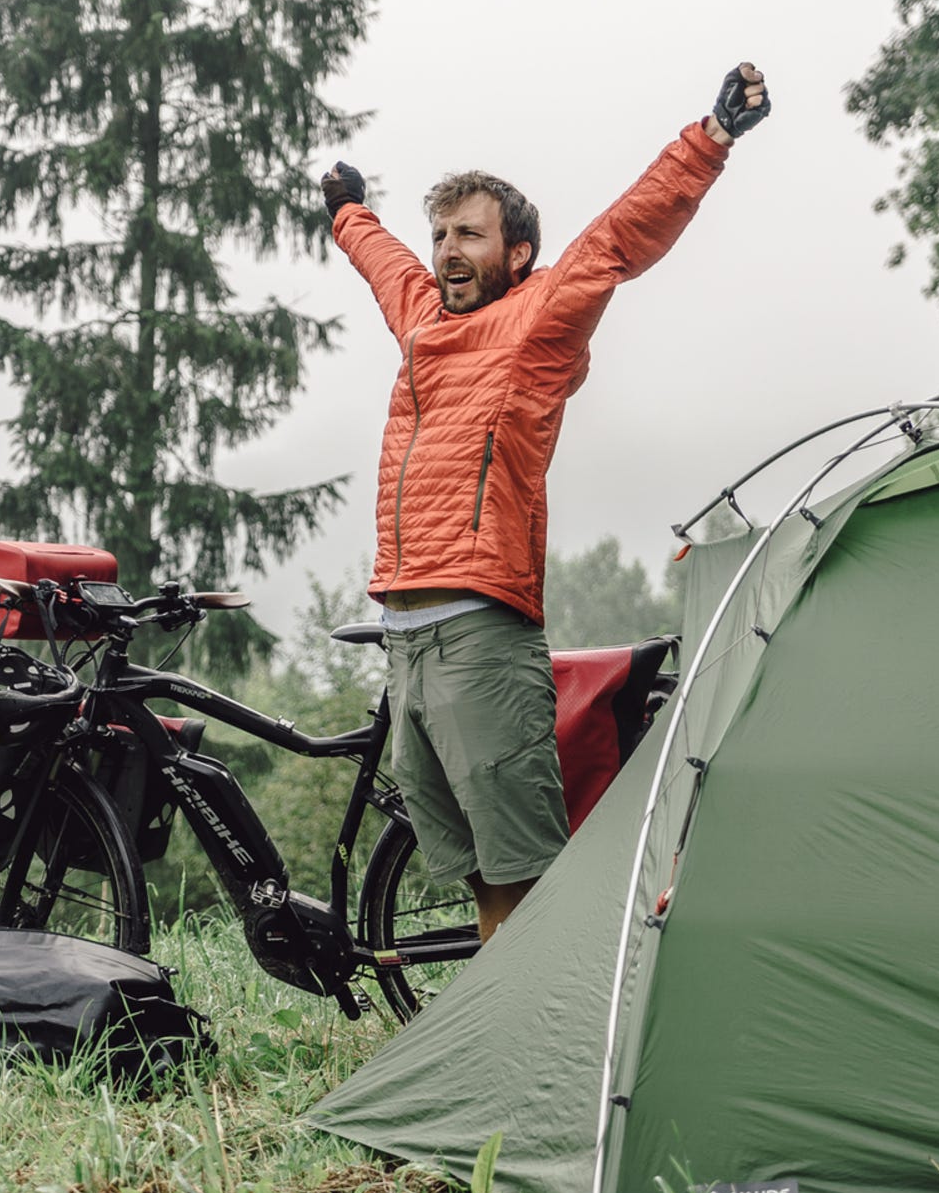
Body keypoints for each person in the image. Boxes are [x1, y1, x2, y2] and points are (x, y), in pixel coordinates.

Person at [321, 63, 771, 942]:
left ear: (516, 254)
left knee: (528, 884)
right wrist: (348, 214)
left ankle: (550, 1056)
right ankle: (497, 1054)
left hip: (479, 636)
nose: (448, 250)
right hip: (405, 643)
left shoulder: (539, 318)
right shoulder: (424, 322)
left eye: (471, 236)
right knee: (481, 883)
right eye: (441, 234)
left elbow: (618, 237)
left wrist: (709, 139)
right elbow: (386, 266)